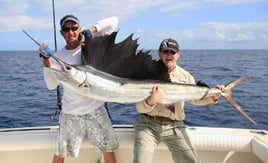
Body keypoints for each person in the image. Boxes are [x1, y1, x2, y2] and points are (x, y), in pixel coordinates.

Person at [39, 14, 119, 163]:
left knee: (108, 150)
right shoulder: (58, 57)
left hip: (96, 108)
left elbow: (114, 21)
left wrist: (91, 31)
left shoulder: (91, 44)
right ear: (61, 33)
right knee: (61, 152)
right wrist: (46, 61)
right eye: (66, 29)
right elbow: (51, 86)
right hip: (71, 111)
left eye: (74, 28)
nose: (71, 32)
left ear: (79, 29)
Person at [133, 38, 225, 163]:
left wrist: (213, 97)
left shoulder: (185, 76)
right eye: (165, 51)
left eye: (172, 52)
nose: (169, 55)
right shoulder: (147, 74)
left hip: (174, 126)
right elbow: (139, 108)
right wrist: (152, 100)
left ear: (178, 54)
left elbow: (194, 99)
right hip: (147, 125)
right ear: (159, 53)